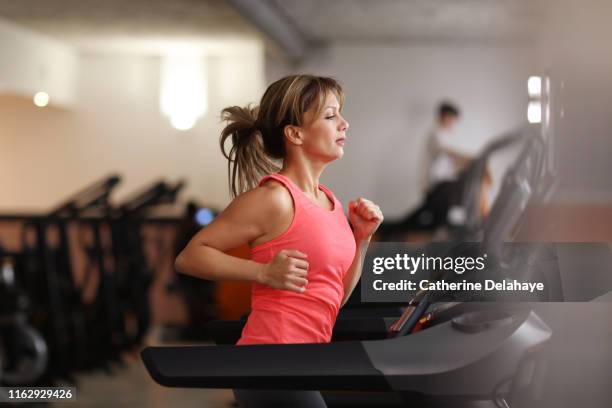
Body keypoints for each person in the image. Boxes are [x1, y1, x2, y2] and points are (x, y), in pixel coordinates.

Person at [174, 75, 384, 407]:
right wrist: (262, 273)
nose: (344, 123)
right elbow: (190, 256)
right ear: (295, 133)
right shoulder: (275, 199)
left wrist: (362, 239)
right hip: (269, 360)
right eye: (330, 116)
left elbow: (333, 299)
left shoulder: (329, 202)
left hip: (304, 362)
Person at [421, 102, 472, 193]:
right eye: (451, 119)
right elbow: (447, 151)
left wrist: (463, 165)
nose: (453, 123)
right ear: (443, 116)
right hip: (433, 181)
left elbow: (450, 160)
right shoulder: (435, 132)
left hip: (443, 179)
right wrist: (467, 158)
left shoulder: (446, 135)